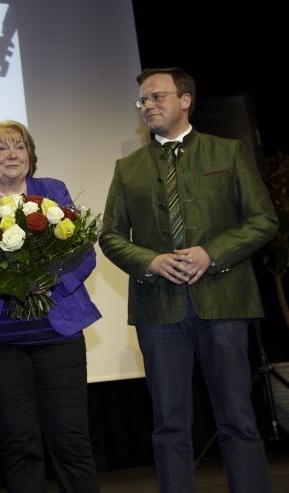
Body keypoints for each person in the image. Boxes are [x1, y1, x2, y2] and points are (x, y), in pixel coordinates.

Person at [99, 67, 278, 493]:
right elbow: (110, 236)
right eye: (142, 100)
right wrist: (151, 261)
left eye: (157, 97)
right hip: (159, 310)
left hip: (224, 302)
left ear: (185, 100)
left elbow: (263, 220)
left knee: (237, 418)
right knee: (169, 425)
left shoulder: (227, 152)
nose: (147, 106)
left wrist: (211, 253)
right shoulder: (128, 168)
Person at [0, 120, 100, 493]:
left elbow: (82, 253)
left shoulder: (53, 190)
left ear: (30, 154)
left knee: (71, 438)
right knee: (20, 443)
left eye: (19, 146)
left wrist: (55, 280)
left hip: (57, 334)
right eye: (1, 147)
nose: (12, 154)